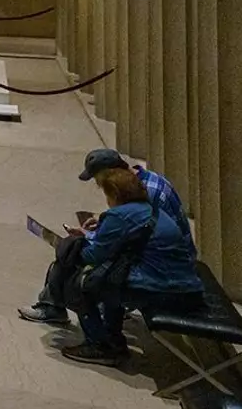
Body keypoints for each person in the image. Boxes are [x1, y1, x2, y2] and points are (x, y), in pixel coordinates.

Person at [18, 147, 194, 325]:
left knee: (78, 267)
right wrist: (99, 228)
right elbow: (135, 225)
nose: (98, 185)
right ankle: (54, 306)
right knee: (75, 254)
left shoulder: (147, 191)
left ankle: (96, 337)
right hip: (159, 255)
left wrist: (82, 241)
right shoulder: (142, 182)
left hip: (161, 265)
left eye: (98, 180)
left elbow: (133, 235)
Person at [58, 165, 203, 366]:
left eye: (108, 195)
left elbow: (92, 256)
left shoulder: (119, 215)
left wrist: (67, 247)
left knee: (82, 285)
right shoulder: (149, 209)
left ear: (116, 194)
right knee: (110, 280)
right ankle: (113, 339)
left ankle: (101, 345)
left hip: (167, 289)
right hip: (185, 284)